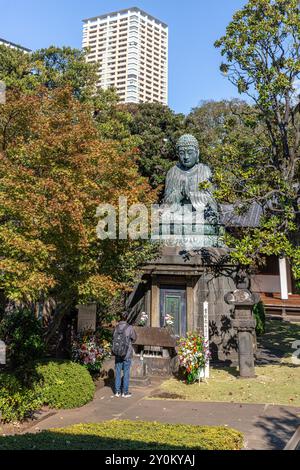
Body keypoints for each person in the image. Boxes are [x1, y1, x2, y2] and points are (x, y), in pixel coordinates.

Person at [113, 311, 137, 398]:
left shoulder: (116, 327)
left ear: (120, 317)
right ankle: (125, 392)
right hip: (126, 353)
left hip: (117, 353)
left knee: (118, 372)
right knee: (126, 373)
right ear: (127, 317)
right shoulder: (129, 328)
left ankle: (117, 392)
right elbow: (134, 338)